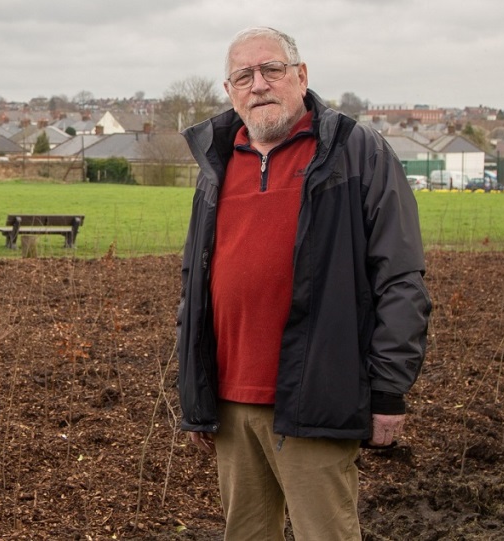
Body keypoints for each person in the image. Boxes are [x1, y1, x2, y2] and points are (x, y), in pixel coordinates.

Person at [175, 26, 432, 540]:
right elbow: (194, 285)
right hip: (231, 403)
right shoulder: (216, 163)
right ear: (229, 90)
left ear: (301, 75)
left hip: (316, 396)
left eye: (272, 69)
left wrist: (388, 389)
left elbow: (401, 277)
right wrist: (196, 397)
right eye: (243, 75)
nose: (259, 84)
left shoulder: (355, 151)